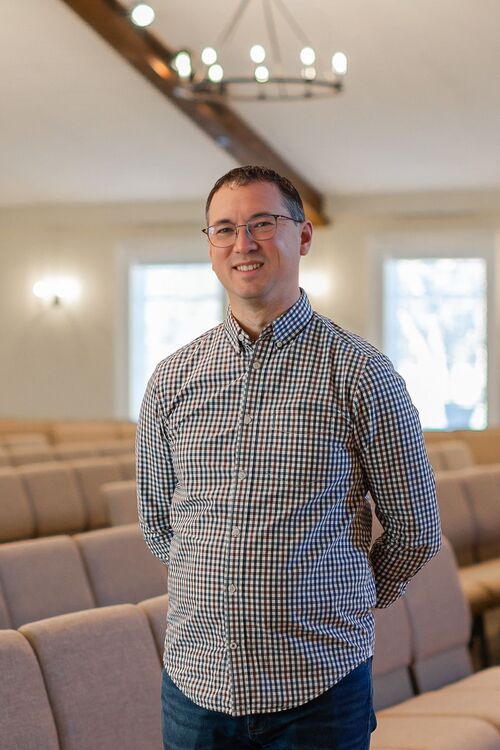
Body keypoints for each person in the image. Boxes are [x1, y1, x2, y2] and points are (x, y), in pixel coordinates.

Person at [136, 165, 441, 750]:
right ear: (210, 245)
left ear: (302, 236)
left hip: (318, 684)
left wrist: (342, 599)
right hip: (195, 682)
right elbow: (158, 523)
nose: (242, 244)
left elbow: (417, 531)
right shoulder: (173, 378)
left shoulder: (362, 373)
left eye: (262, 223)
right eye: (224, 229)